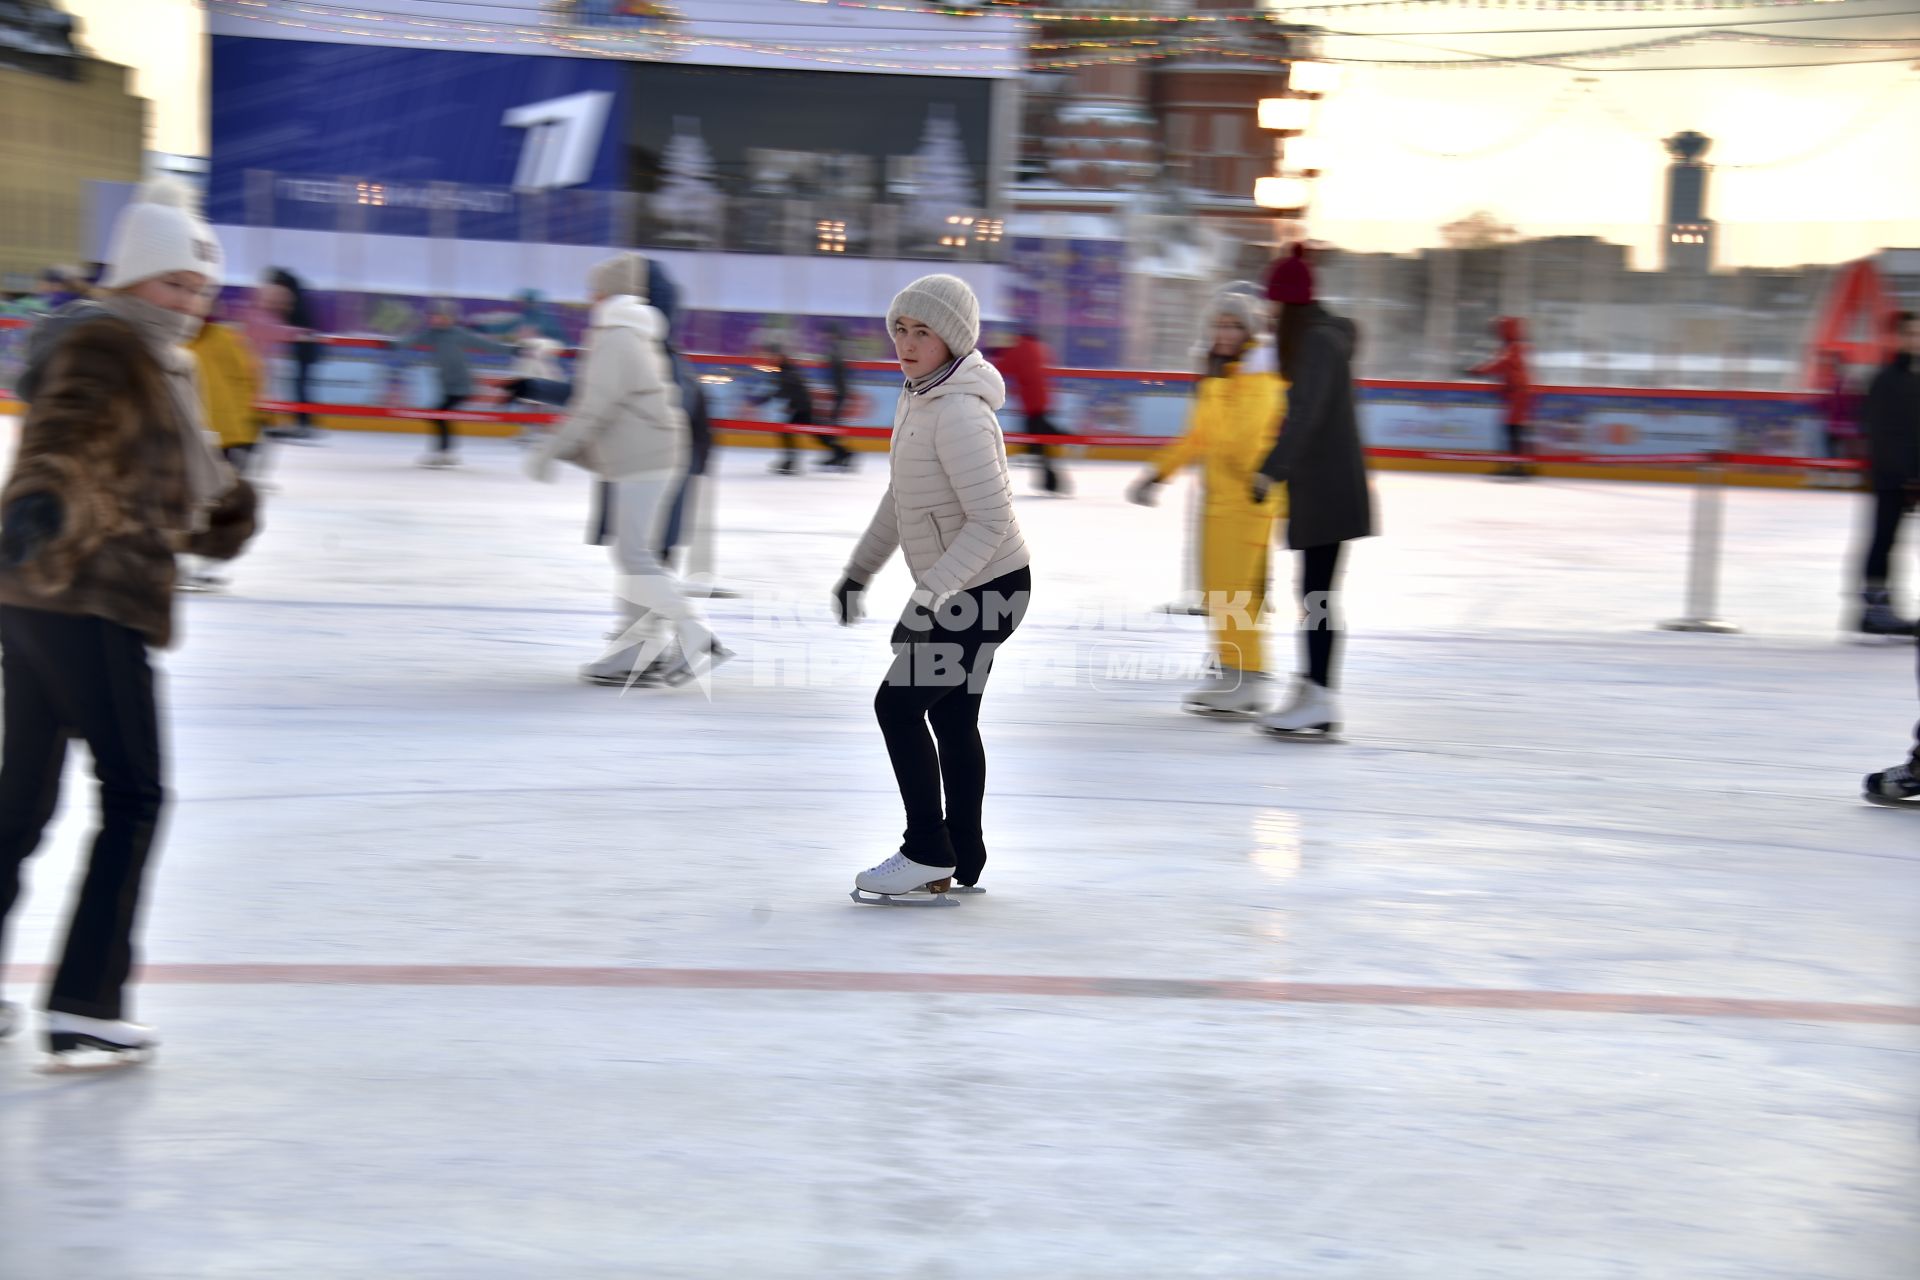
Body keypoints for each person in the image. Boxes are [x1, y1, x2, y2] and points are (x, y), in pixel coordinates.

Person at [0, 178, 259, 1067]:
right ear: (135, 277)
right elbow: (64, 438)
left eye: (200, 292)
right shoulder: (110, 343)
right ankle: (84, 1000)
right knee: (137, 793)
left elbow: (181, 485)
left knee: (23, 799)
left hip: (39, 600)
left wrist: (226, 510)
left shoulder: (155, 361)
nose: (187, 305)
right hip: (88, 593)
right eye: (173, 286)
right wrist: (35, 505)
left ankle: (77, 995)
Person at [836, 274, 1032, 904]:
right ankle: (960, 853)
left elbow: (990, 522)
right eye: (901, 328)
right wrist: (860, 571)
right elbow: (902, 499)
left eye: (923, 331)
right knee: (949, 716)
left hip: (989, 588)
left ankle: (927, 848)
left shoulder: (960, 415)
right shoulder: (918, 397)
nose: (907, 342)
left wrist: (927, 600)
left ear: (953, 339)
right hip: (971, 586)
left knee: (896, 705)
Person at [524, 252, 729, 688]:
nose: (589, 297)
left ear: (611, 292)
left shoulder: (618, 335)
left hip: (644, 459)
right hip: (641, 457)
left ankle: (693, 638)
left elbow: (594, 404)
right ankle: (645, 649)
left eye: (594, 289)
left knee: (636, 557)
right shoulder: (633, 333)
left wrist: (550, 450)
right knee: (635, 557)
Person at [1127, 290, 1286, 716]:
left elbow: (1245, 442)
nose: (1224, 333)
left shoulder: (1260, 381)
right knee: (1218, 592)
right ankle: (1230, 667)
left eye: (1234, 325)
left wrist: (1233, 450)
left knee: (1240, 593)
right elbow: (1197, 437)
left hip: (1251, 499)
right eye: (1219, 324)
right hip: (1219, 503)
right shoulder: (1220, 380)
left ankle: (1248, 676)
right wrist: (1158, 473)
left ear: (1251, 332)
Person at [1251, 243, 1375, 740]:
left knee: (1319, 596)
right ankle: (1311, 687)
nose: (1270, 314)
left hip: (1328, 488)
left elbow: (1305, 414)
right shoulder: (1320, 340)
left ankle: (1321, 697)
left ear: (1290, 304)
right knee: (1314, 595)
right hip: (1324, 487)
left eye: (1274, 305)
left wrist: (1270, 469)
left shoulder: (1318, 343)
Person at [181, 303, 263, 591]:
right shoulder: (172, 338)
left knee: (223, 505)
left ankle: (206, 564)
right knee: (185, 502)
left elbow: (248, 378)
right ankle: (183, 561)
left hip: (227, 435)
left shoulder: (223, 337)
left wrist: (249, 422)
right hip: (189, 434)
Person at [390, 300, 516, 468]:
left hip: (463, 385)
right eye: (432, 316)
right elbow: (413, 340)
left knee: (438, 415)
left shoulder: (459, 334)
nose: (433, 320)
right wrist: (394, 344)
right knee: (439, 416)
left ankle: (444, 452)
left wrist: (512, 350)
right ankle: (447, 453)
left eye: (437, 316)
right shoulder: (432, 334)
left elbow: (486, 345)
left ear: (448, 318)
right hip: (447, 385)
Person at [1857, 311, 1920, 638]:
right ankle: (1874, 610)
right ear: (1897, 337)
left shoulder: (1913, 378)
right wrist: (1906, 476)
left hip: (1910, 475)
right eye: (1910, 334)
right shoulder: (1886, 380)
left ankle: (1881, 607)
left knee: (1892, 541)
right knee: (1884, 539)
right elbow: (1883, 434)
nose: (1916, 340)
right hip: (1892, 476)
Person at [996, 327, 1068, 495]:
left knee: (1037, 443)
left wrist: (999, 354)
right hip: (1044, 399)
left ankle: (1052, 480)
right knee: (1038, 440)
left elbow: (1002, 367)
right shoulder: (1041, 348)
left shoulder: (1019, 349)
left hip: (1030, 402)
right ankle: (1065, 440)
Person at [1468, 315, 1534, 479]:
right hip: (1514, 394)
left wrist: (1478, 371)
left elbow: (1501, 365)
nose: (1496, 334)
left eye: (1499, 330)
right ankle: (1511, 464)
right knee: (1510, 430)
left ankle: (1517, 466)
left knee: (1513, 430)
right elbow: (1507, 371)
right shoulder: (1511, 347)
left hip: (1519, 394)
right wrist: (1500, 389)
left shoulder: (1514, 348)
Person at [753, 341, 818, 476]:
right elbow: (793, 390)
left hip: (803, 407)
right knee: (787, 432)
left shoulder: (788, 371)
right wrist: (790, 405)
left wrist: (762, 400)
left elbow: (785, 390)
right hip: (800, 406)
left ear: (780, 356)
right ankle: (790, 461)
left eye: (773, 356)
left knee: (816, 434)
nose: (771, 360)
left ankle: (842, 453)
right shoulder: (786, 369)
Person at [817, 325, 857, 471]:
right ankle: (839, 453)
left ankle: (844, 453)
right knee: (831, 425)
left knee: (831, 425)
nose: (824, 337)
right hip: (839, 392)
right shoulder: (837, 348)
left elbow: (838, 363)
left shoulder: (838, 348)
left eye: (827, 333)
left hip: (840, 392)